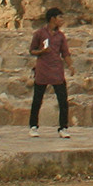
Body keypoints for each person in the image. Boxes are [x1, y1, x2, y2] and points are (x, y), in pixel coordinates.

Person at [28, 8, 72, 139]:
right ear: (53, 18)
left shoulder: (61, 36)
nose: (62, 20)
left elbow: (65, 53)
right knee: (37, 99)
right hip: (43, 69)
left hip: (57, 70)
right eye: (60, 17)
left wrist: (70, 65)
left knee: (63, 100)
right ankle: (33, 126)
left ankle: (63, 127)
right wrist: (41, 51)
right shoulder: (40, 33)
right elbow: (32, 50)